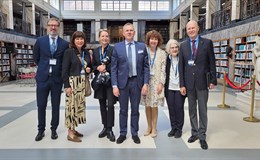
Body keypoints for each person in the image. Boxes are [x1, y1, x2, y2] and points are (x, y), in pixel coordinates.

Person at [178, 20, 217, 150]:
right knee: (192, 110)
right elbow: (181, 67)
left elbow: (212, 63)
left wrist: (213, 80)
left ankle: (202, 135)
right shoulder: (182, 46)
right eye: (189, 28)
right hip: (189, 84)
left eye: (193, 28)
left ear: (198, 28)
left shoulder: (207, 43)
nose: (191, 30)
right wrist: (182, 84)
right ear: (186, 30)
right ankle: (194, 132)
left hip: (202, 82)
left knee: (203, 110)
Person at [111, 23, 150, 144]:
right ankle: (123, 133)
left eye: (131, 30)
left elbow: (146, 67)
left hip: (136, 83)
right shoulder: (117, 47)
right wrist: (114, 85)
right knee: (123, 110)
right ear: (123, 33)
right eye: (127, 30)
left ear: (134, 32)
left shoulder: (142, 47)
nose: (129, 32)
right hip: (123, 84)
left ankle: (134, 133)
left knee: (135, 110)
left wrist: (145, 83)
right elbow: (113, 68)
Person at [33, 18, 69, 141]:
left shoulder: (64, 44)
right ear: (47, 27)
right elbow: (36, 58)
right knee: (41, 105)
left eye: (55, 25)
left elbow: (65, 62)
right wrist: (44, 68)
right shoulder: (40, 41)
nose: (53, 27)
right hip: (42, 78)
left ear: (59, 27)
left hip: (56, 80)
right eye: (51, 25)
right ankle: (41, 130)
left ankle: (54, 129)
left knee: (55, 105)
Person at [62, 31, 92, 142]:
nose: (79, 41)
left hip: (82, 83)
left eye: (81, 39)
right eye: (77, 39)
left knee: (78, 108)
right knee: (71, 108)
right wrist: (66, 85)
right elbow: (64, 70)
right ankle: (70, 133)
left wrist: (89, 69)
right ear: (73, 40)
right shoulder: (69, 52)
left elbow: (89, 66)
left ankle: (74, 130)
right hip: (73, 83)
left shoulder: (86, 52)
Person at [92, 29, 117, 142]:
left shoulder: (113, 50)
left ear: (109, 38)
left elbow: (116, 64)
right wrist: (97, 68)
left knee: (110, 105)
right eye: (102, 36)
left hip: (110, 82)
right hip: (100, 82)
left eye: (107, 36)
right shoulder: (96, 51)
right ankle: (105, 127)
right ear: (99, 38)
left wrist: (106, 68)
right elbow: (93, 65)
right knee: (102, 105)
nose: (105, 38)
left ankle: (110, 129)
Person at [141, 30, 166, 138]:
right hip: (146, 83)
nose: (153, 41)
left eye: (155, 39)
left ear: (158, 41)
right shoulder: (143, 51)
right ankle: (148, 127)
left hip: (156, 83)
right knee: (147, 105)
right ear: (148, 40)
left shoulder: (162, 53)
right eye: (152, 39)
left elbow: (163, 70)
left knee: (154, 105)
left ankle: (154, 127)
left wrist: (161, 83)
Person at [164, 39, 186, 138]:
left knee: (179, 108)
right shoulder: (166, 59)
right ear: (169, 49)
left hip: (179, 88)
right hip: (169, 88)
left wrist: (184, 85)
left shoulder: (182, 58)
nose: (174, 49)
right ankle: (173, 127)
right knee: (171, 109)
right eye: (172, 47)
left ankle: (179, 129)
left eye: (176, 47)